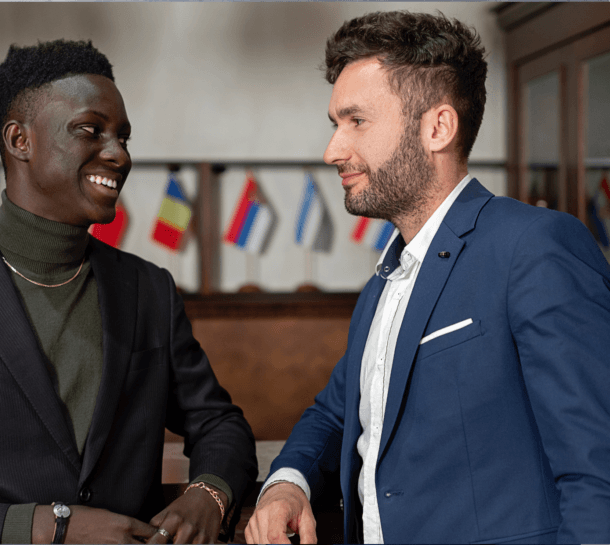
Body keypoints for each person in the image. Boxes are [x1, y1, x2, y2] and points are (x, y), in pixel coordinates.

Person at [0, 39, 257, 544]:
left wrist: (208, 493)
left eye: (123, 137)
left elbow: (220, 424)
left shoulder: (150, 289)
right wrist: (46, 528)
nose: (119, 154)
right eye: (90, 131)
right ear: (20, 139)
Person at [246, 11, 610, 545]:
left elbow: (597, 473)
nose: (333, 150)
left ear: (438, 127)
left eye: (357, 121)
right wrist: (287, 484)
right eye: (334, 124)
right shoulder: (386, 278)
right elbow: (336, 414)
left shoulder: (535, 247)